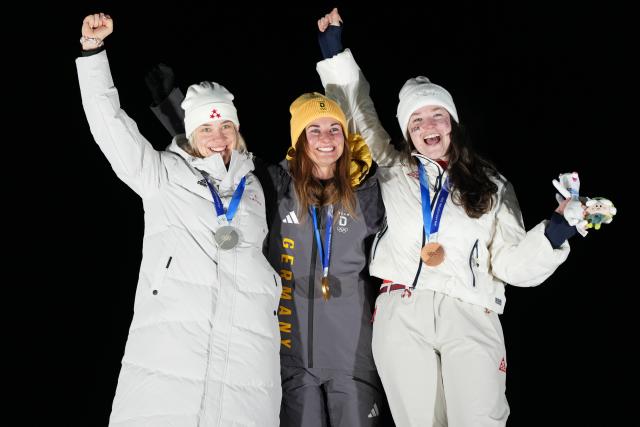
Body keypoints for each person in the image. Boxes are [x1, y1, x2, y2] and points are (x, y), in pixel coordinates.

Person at [316, 8, 581, 427]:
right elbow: (356, 112)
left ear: (452, 122)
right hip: (402, 308)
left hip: (471, 312)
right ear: (408, 132)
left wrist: (553, 232)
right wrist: (335, 51)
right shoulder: (393, 166)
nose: (427, 125)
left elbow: (511, 264)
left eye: (436, 114)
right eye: (416, 120)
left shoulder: (492, 185)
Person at [143, 33, 390, 427]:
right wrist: (171, 106)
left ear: (345, 138)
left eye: (333, 130)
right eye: (313, 131)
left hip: (354, 359)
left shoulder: (368, 191)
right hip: (291, 360)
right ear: (299, 140)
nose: (325, 139)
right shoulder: (275, 186)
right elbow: (221, 154)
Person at [77, 13, 282, 427]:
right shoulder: (163, 175)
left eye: (226, 124)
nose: (219, 135)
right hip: (170, 356)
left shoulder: (258, 186)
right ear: (190, 132)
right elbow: (110, 127)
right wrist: (93, 55)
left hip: (249, 361)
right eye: (207, 127)